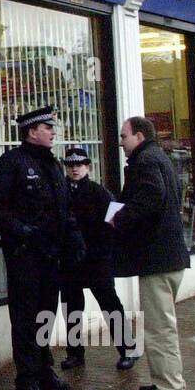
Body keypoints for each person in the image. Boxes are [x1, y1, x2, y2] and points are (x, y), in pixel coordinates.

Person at [0, 105, 85, 390]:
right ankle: (26, 381)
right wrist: (23, 233)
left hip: (51, 256)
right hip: (25, 256)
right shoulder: (11, 163)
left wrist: (74, 237)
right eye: (47, 128)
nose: (53, 132)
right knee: (26, 319)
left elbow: (63, 208)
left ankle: (44, 371)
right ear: (32, 132)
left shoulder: (53, 166)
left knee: (46, 315)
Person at [110, 116, 192, 390]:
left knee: (159, 329)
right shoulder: (158, 158)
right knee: (161, 326)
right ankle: (164, 383)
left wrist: (118, 218)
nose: (120, 142)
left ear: (140, 136)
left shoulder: (145, 162)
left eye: (124, 136)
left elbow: (150, 199)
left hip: (158, 261)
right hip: (168, 258)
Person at [59, 147, 136, 371]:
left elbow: (117, 222)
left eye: (80, 164)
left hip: (96, 260)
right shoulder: (62, 192)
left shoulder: (99, 192)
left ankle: (128, 350)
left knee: (110, 305)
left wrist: (105, 251)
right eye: (71, 165)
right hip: (70, 261)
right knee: (71, 308)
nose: (75, 169)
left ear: (88, 167)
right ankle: (74, 354)